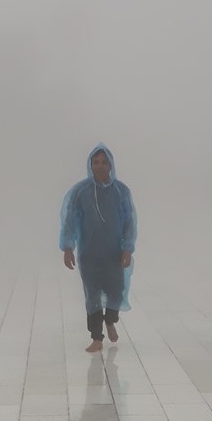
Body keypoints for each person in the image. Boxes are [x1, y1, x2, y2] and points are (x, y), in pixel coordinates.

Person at [60, 143, 137, 352]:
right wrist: (68, 247)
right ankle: (96, 338)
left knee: (115, 292)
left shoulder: (121, 192)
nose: (100, 166)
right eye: (96, 162)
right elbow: (69, 221)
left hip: (114, 254)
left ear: (111, 164)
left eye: (104, 162)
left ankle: (110, 320)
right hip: (89, 255)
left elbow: (130, 222)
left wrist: (127, 248)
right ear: (90, 165)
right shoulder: (80, 192)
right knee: (92, 295)